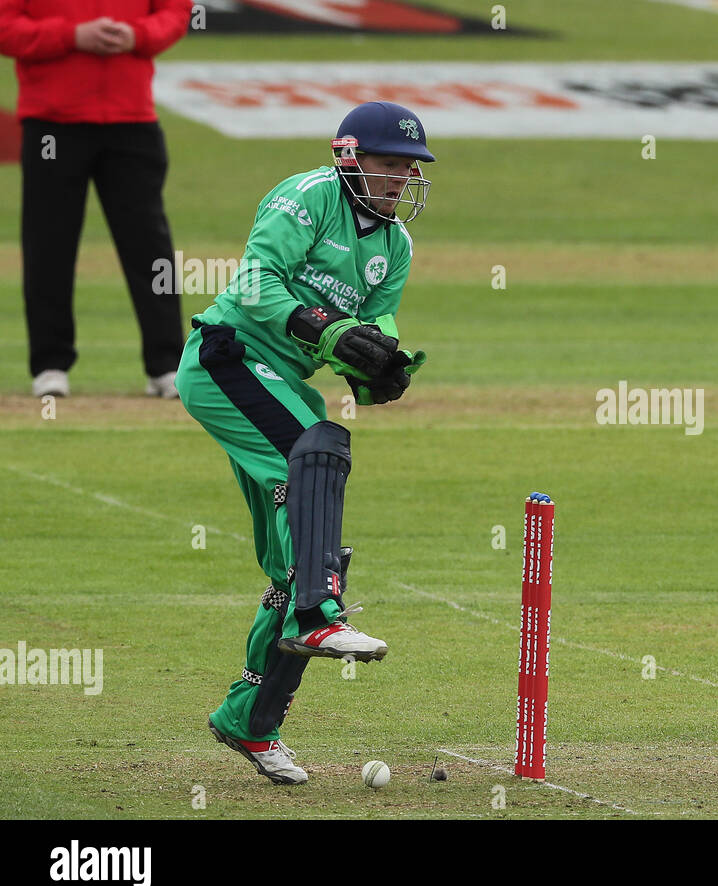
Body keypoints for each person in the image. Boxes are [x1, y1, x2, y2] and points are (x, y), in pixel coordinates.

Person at [175, 101, 434, 783]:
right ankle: (320, 615)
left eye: (410, 169)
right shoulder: (307, 196)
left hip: (282, 379)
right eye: (389, 164)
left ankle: (250, 721)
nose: (401, 179)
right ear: (349, 157)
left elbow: (373, 328)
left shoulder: (396, 248)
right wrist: (327, 330)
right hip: (226, 359)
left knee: (307, 556)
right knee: (318, 445)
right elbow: (257, 283)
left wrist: (383, 366)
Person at [0, 0, 192, 398]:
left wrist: (137, 36)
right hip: (51, 122)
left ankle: (168, 364)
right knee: (48, 244)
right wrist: (71, 36)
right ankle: (50, 364)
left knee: (149, 245)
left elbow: (176, 12)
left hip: (132, 120)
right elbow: (5, 26)